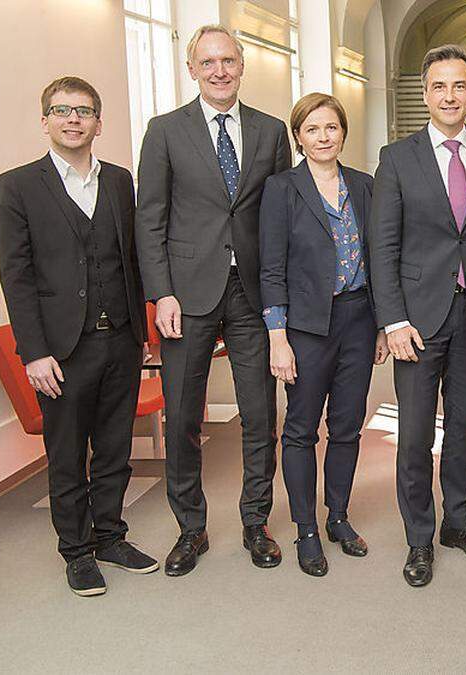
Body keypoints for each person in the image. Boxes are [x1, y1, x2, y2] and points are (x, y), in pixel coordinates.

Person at [135, 24, 292, 576]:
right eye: (209, 62)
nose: (220, 70)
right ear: (192, 69)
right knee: (182, 415)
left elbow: (279, 220)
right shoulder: (165, 131)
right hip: (187, 293)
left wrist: (280, 296)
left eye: (229, 60)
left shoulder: (272, 131)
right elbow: (148, 218)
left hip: (251, 292)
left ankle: (256, 521)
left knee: (258, 413)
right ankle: (190, 528)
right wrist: (162, 293)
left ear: (242, 66)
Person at [0, 76, 157, 596]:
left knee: (114, 449)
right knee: (68, 453)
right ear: (45, 120)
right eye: (61, 110)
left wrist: (142, 331)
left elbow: (130, 260)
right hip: (60, 350)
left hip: (122, 341)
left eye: (83, 111)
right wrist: (33, 352)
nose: (73, 119)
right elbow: (15, 277)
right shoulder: (18, 185)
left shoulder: (118, 181)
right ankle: (77, 551)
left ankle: (110, 536)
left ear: (98, 123)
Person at [368, 44, 466, 588]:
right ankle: (418, 538)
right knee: (413, 435)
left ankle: (458, 522)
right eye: (439, 86)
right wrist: (392, 320)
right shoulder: (397, 158)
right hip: (415, 320)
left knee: (463, 427)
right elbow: (381, 246)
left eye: (459, 86)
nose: (449, 95)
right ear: (425, 94)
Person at [259, 93, 387, 577]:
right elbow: (270, 267)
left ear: (343, 133)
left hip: (358, 319)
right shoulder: (282, 189)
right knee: (300, 429)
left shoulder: (364, 185)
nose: (323, 137)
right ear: (299, 137)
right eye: (312, 129)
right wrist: (277, 336)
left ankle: (337, 517)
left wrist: (378, 325)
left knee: (349, 426)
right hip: (307, 327)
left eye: (331, 128)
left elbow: (377, 259)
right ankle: (305, 529)